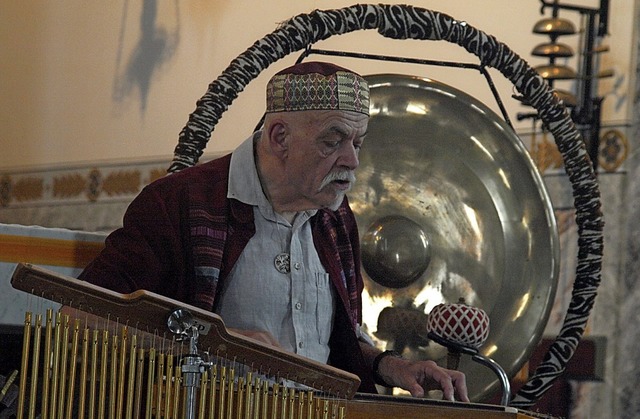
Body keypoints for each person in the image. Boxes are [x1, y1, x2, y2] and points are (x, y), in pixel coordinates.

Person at [78, 61, 468, 402]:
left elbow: (334, 342)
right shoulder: (178, 203)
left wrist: (390, 366)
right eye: (333, 141)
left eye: (357, 142)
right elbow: (82, 317)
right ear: (280, 136)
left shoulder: (334, 218)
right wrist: (216, 341)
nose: (351, 160)